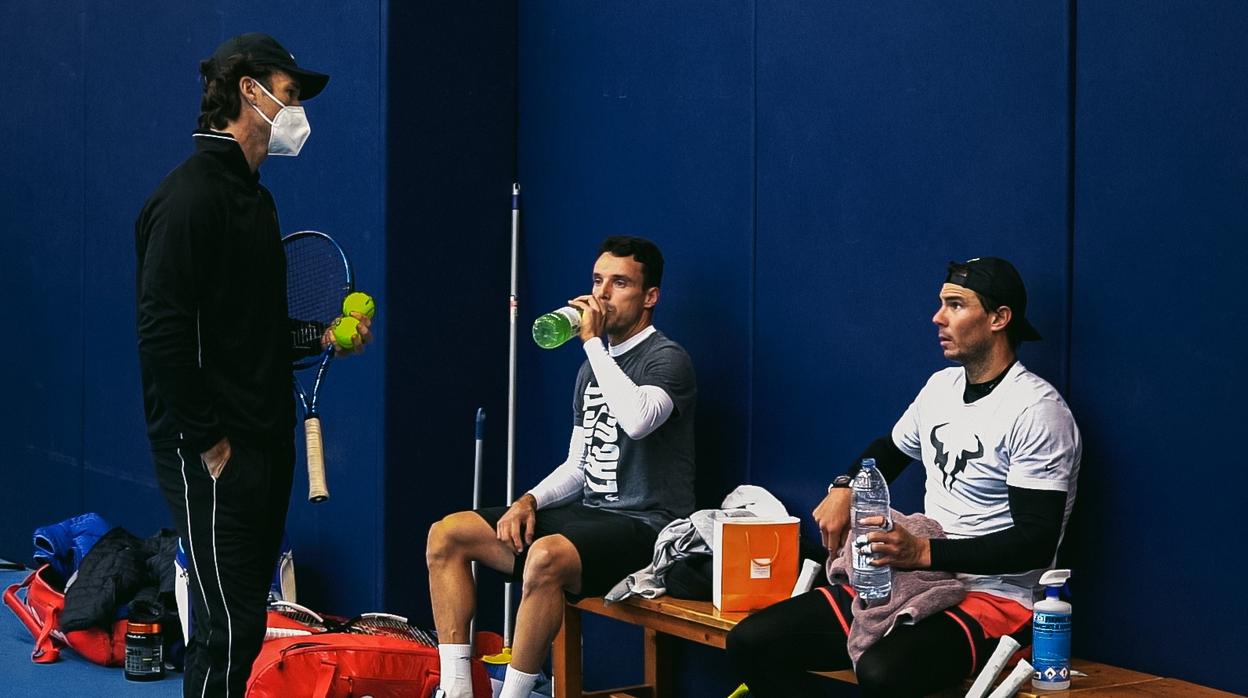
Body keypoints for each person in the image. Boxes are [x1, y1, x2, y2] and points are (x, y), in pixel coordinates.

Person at [726, 257, 1081, 697]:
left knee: (882, 673)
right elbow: (886, 453)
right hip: (920, 579)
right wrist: (843, 487)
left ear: (998, 318)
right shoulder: (941, 388)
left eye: (955, 305)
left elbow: (1035, 542)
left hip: (999, 597)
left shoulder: (1036, 410)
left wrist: (922, 551)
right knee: (751, 643)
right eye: (941, 304)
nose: (938, 317)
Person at [135, 33, 370, 697]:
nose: (298, 112)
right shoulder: (188, 200)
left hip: (266, 440)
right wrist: (208, 441)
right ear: (249, 91)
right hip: (216, 451)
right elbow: (162, 334)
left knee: (243, 626)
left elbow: (256, 328)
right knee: (226, 629)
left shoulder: (255, 199)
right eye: (290, 95)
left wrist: (324, 337)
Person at [426, 236, 697, 698]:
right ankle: (457, 690)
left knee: (546, 554)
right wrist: (528, 500)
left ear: (650, 297)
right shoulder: (591, 369)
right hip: (590, 518)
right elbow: (579, 465)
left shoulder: (667, 359)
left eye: (620, 282)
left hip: (648, 526)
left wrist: (592, 343)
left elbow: (636, 421)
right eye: (597, 280)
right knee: (446, 534)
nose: (602, 294)